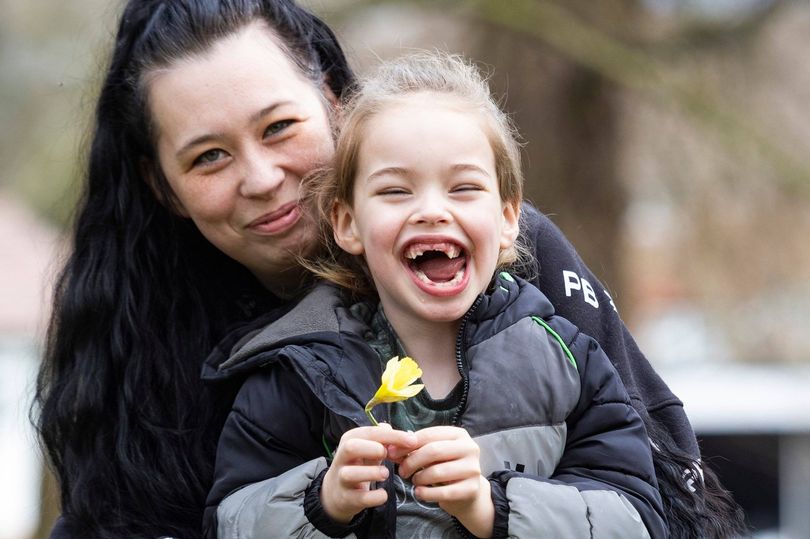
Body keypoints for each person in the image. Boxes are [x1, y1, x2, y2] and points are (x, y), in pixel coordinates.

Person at [32, 0, 742, 537]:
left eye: (280, 127)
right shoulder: (142, 337)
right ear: (162, 187)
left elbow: (663, 490)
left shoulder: (510, 261)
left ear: (335, 105)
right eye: (208, 156)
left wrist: (495, 501)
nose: (261, 176)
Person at [202, 51, 668, 538]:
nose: (431, 210)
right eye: (395, 192)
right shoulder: (299, 372)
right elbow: (228, 522)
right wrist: (323, 501)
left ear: (508, 219)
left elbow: (636, 520)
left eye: (463, 187)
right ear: (347, 223)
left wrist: (491, 506)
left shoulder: (567, 358)